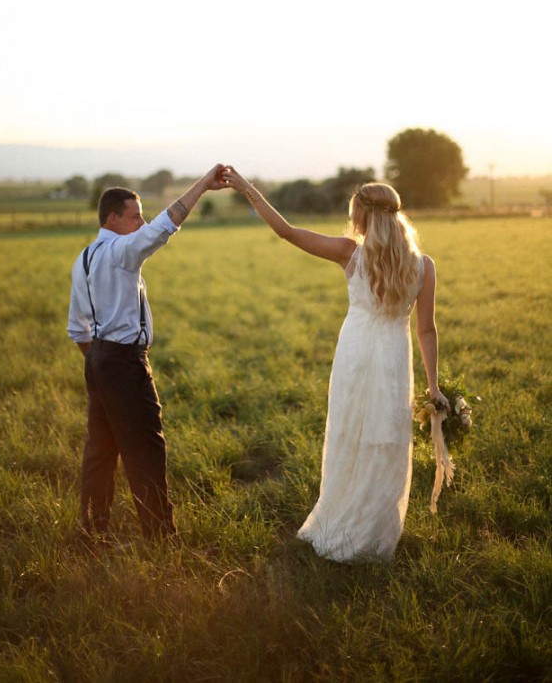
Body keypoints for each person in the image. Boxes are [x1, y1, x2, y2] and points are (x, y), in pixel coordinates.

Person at [221, 167, 450, 563]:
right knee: (386, 439)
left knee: (349, 434)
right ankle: (375, 535)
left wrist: (246, 188)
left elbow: (288, 232)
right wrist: (433, 386)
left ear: (362, 217)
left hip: (356, 354)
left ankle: (344, 521)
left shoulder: (351, 253)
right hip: (394, 361)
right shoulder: (423, 265)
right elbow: (426, 331)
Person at [68, 165, 227, 543]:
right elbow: (164, 226)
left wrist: (99, 361)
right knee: (146, 448)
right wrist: (203, 185)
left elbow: (77, 328)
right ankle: (160, 538)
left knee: (100, 450)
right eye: (135, 215)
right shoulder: (122, 251)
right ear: (113, 218)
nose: (142, 222)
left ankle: (92, 530)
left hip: (98, 359)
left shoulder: (85, 257)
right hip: (122, 361)